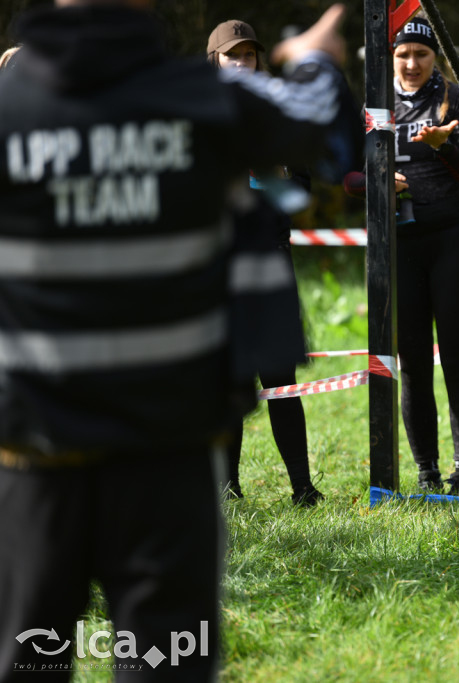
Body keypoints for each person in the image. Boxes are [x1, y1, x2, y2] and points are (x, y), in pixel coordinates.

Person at [0, 2, 353, 679]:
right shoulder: (208, 97)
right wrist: (307, 54)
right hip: (167, 465)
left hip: (31, 463)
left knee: (27, 663)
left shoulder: (7, 106)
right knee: (167, 665)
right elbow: (322, 128)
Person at [345, 16, 459, 495]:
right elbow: (346, 176)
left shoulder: (453, 97)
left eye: (420, 55)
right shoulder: (373, 102)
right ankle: (426, 471)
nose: (410, 64)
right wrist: (377, 182)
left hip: (451, 240)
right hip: (397, 246)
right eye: (402, 54)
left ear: (434, 58)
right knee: (414, 363)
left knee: (458, 358)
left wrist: (445, 149)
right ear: (390, 57)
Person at [207, 19, 325, 507]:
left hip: (272, 260)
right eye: (231, 56)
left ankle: (302, 488)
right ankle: (226, 486)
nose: (241, 63)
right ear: (214, 62)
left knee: (280, 380)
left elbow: (299, 193)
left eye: (249, 55)